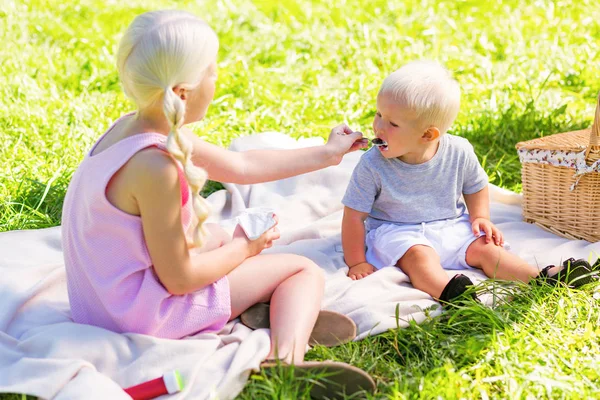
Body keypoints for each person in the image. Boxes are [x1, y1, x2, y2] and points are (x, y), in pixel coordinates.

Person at [61, 10, 374, 397]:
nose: (217, 78)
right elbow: (179, 279)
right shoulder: (158, 168)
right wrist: (248, 247)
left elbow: (241, 165)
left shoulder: (134, 127)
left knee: (217, 236)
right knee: (301, 270)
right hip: (142, 317)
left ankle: (267, 307)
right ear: (182, 92)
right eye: (211, 70)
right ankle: (285, 361)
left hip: (99, 301)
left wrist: (327, 153)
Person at [341, 61, 594, 304]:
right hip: (396, 230)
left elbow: (475, 185)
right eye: (378, 114)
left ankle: (541, 278)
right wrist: (357, 262)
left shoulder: (458, 151)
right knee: (420, 256)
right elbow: (354, 217)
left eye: (392, 123)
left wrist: (480, 217)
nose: (377, 126)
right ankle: (450, 292)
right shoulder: (372, 165)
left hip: (450, 224)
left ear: (428, 134)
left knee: (487, 249)